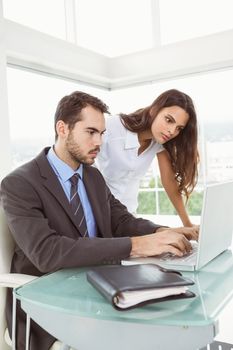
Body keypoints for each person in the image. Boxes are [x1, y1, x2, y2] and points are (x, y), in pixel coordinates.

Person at [0, 91, 198, 350]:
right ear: (63, 128)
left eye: (102, 134)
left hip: (98, 288)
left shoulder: (93, 177)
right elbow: (47, 253)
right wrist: (138, 245)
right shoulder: (20, 183)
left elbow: (121, 220)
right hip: (48, 305)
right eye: (91, 132)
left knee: (170, 315)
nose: (99, 142)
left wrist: (165, 232)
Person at [96, 89, 199, 226]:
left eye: (179, 128)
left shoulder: (159, 143)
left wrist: (188, 224)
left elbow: (169, 181)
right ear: (154, 110)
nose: (172, 131)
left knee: (172, 241)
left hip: (128, 219)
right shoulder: (112, 127)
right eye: (169, 120)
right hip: (98, 216)